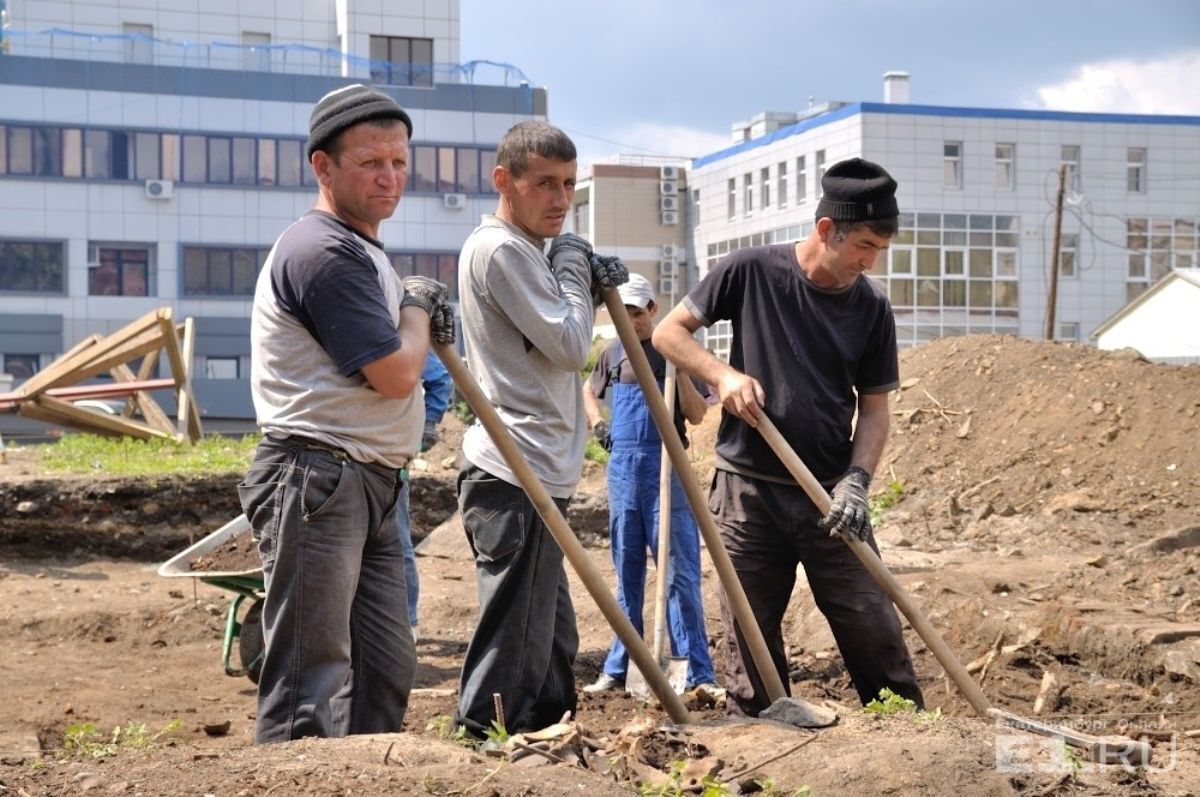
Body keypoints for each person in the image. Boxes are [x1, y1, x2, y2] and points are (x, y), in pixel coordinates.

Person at [651, 157, 924, 717]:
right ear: (827, 230)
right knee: (749, 633)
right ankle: (764, 730)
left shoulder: (871, 308)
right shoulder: (751, 271)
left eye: (879, 250)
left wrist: (857, 482)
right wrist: (722, 375)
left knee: (871, 622)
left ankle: (907, 733)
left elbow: (875, 411)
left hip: (828, 494)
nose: (869, 262)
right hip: (746, 491)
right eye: (863, 246)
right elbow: (666, 332)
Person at [239, 84, 455, 743]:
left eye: (398, 161)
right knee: (311, 676)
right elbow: (394, 375)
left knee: (387, 666)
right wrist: (416, 309)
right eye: (370, 162)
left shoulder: (363, 251)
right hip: (317, 477)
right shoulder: (322, 250)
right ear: (323, 167)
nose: (389, 176)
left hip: (372, 479)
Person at [454, 120, 626, 737]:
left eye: (570, 186)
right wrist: (577, 267)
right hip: (512, 470)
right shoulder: (501, 249)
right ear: (505, 181)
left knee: (550, 638)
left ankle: (553, 739)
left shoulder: (531, 251)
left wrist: (576, 271)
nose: (560, 199)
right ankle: (481, 743)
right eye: (545, 184)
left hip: (538, 471)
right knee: (514, 636)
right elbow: (570, 342)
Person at [581, 273, 717, 694]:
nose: (632, 321)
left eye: (638, 313)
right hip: (623, 471)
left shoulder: (674, 349)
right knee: (627, 572)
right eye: (624, 313)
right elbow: (588, 390)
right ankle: (622, 666)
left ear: (653, 310)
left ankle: (695, 672)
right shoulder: (612, 352)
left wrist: (677, 370)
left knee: (679, 573)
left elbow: (697, 416)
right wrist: (597, 425)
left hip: (667, 470)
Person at [398, 350, 453, 643]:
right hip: (362, 451)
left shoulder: (394, 326)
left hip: (392, 452)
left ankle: (409, 623)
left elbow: (439, 377)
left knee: (396, 539)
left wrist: (429, 423)